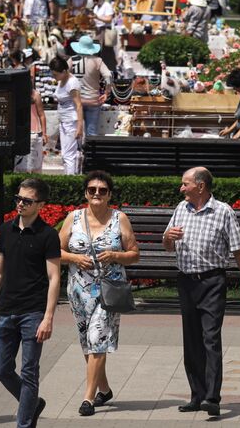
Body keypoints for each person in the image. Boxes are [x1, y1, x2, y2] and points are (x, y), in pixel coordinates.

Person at [162, 167, 240, 416]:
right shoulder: (181, 209)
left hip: (212, 282)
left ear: (200, 186)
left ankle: (212, 397)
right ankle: (197, 395)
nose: (181, 188)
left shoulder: (223, 211)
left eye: (185, 184)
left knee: (210, 339)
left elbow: (238, 251)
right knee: (191, 340)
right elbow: (167, 246)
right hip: (186, 281)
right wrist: (168, 238)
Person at [57, 171, 140, 417]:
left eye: (102, 190)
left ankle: (88, 398)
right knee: (88, 342)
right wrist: (74, 257)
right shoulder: (73, 218)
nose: (96, 194)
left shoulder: (120, 219)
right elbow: (55, 250)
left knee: (98, 338)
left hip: (109, 291)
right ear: (85, 193)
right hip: (78, 292)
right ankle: (104, 389)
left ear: (109, 195)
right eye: (92, 189)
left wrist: (116, 255)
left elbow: (134, 253)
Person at [0, 178, 61, 428]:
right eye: (18, 198)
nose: (20, 204)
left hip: (33, 313)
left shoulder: (48, 235)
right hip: (7, 310)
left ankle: (24, 423)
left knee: (29, 371)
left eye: (27, 200)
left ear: (41, 204)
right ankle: (33, 403)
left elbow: (54, 277)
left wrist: (48, 317)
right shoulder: (6, 229)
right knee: (1, 369)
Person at [69, 35, 111, 138]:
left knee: (75, 130)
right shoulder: (97, 60)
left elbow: (63, 74)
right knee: (91, 133)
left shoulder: (72, 60)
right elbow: (108, 75)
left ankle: (77, 152)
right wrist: (106, 92)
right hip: (93, 100)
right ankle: (90, 153)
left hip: (76, 100)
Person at [50, 56, 85, 175]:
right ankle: (68, 176)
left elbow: (79, 105)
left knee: (69, 155)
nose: (54, 77)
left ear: (64, 72)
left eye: (55, 74)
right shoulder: (61, 80)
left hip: (72, 122)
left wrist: (79, 127)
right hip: (64, 121)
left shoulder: (72, 83)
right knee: (65, 154)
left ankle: (70, 179)